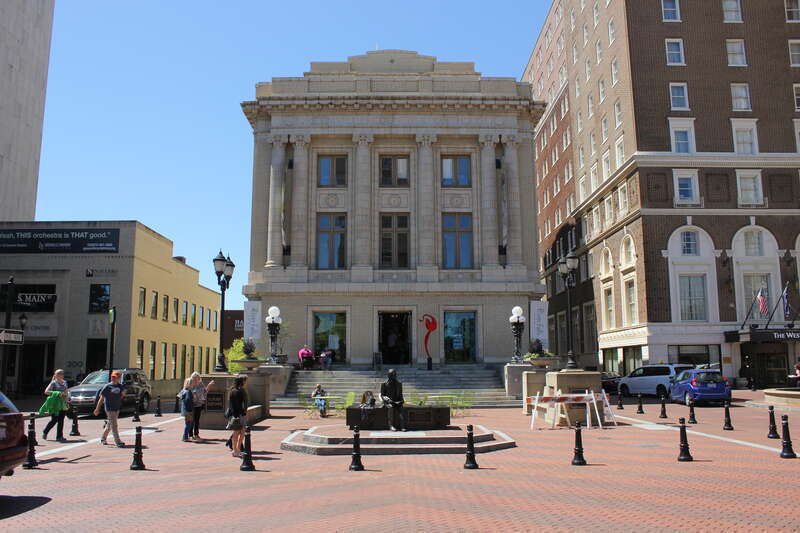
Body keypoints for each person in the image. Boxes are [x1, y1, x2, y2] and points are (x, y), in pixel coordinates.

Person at [93, 370, 125, 447]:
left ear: (119, 378)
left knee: (110, 425)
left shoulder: (120, 386)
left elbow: (122, 395)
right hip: (109, 408)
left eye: (115, 377)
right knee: (114, 425)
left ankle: (103, 438)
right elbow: (101, 398)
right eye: (112, 377)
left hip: (116, 408)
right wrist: (97, 409)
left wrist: (121, 396)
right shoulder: (107, 386)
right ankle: (118, 441)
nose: (113, 378)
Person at [41, 369, 69, 442]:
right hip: (55, 404)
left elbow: (66, 392)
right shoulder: (53, 383)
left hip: (62, 404)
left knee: (61, 420)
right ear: (56, 375)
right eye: (59, 374)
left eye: (62, 374)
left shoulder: (65, 382)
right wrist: (57, 393)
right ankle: (45, 431)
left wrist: (67, 402)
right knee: (54, 420)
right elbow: (46, 392)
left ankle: (59, 436)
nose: (61, 375)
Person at [190, 372, 215, 441]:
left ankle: (196, 434)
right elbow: (189, 392)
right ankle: (190, 435)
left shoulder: (200, 384)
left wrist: (209, 386)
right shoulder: (190, 384)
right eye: (195, 378)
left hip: (199, 404)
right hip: (191, 405)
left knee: (197, 420)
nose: (196, 379)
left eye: (197, 378)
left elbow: (204, 392)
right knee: (191, 420)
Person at [227, 377, 247, 457]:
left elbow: (232, 405)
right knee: (239, 432)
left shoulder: (232, 391)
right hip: (238, 414)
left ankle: (236, 450)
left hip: (233, 414)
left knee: (237, 432)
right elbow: (239, 405)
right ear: (241, 382)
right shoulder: (239, 392)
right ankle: (236, 450)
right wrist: (242, 413)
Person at [179, 378, 194, 442]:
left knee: (187, 423)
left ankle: (184, 437)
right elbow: (188, 401)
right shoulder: (188, 392)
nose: (192, 385)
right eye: (192, 383)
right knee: (188, 424)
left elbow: (180, 397)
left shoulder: (183, 390)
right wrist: (190, 410)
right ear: (189, 384)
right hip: (188, 410)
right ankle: (185, 437)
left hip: (184, 410)